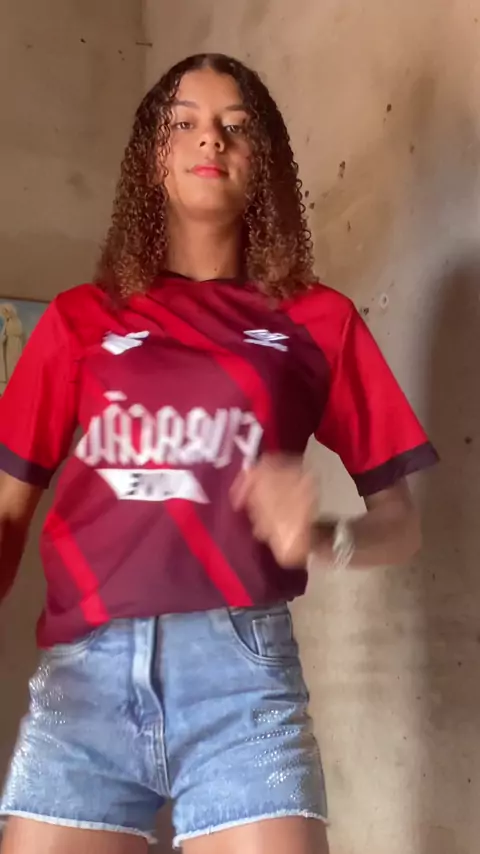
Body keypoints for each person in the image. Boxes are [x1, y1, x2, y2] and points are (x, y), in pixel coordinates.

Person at [0, 53, 438, 854]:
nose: (212, 140)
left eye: (236, 127)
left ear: (261, 161)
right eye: (186, 123)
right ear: (153, 157)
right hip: (86, 677)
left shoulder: (319, 321)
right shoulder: (76, 321)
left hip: (242, 680)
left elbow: (401, 525)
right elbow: (8, 512)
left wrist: (320, 536)